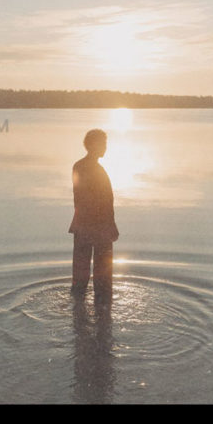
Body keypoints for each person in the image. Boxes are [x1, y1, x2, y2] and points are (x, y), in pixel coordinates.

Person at [68, 128, 118, 301]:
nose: (105, 147)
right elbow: (103, 203)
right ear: (94, 145)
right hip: (99, 228)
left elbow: (79, 199)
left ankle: (78, 315)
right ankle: (102, 316)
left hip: (82, 226)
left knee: (80, 278)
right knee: (103, 282)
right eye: (103, 144)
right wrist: (111, 227)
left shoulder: (78, 166)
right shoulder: (96, 170)